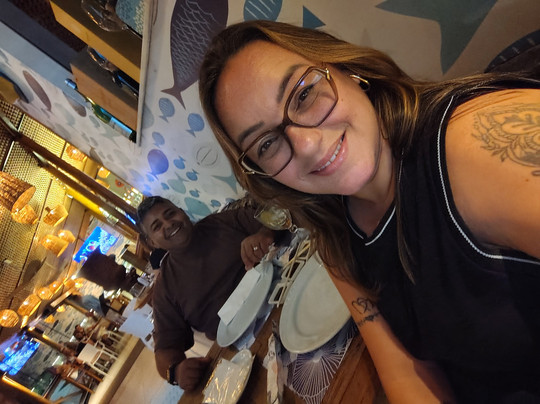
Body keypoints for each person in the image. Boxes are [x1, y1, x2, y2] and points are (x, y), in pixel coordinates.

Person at [198, 20, 540, 403]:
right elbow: (405, 370)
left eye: (304, 94)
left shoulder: (471, 145)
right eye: (266, 144)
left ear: (346, 70)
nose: (306, 145)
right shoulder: (335, 239)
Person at [136, 196, 275, 391]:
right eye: (157, 226)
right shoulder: (165, 288)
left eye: (170, 214)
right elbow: (165, 349)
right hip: (245, 346)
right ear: (153, 242)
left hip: (278, 295)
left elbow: (273, 217)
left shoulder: (221, 222)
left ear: (182, 212)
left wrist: (264, 233)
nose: (168, 224)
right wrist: (175, 372)